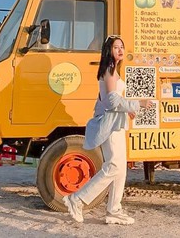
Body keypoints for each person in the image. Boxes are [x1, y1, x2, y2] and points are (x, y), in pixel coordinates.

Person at [62, 36, 154, 225]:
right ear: (108, 50)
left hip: (117, 123)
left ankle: (114, 210)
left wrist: (128, 109)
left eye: (122, 46)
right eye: (116, 47)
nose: (120, 50)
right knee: (113, 167)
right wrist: (137, 104)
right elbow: (112, 101)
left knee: (120, 169)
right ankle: (77, 199)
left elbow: (109, 100)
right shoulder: (109, 70)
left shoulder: (113, 70)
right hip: (110, 125)